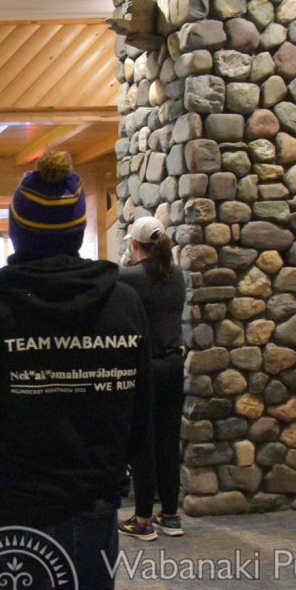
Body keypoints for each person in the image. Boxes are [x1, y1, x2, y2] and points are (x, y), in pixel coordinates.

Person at [0, 151, 152, 590]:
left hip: (11, 508)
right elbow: (141, 414)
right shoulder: (124, 304)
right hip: (93, 505)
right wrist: (109, 474)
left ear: (18, 234)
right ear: (77, 232)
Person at [117, 216, 187, 541]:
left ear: (134, 244)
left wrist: (125, 264)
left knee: (143, 442)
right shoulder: (178, 275)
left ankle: (143, 519)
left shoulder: (129, 276)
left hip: (146, 367)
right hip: (174, 364)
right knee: (168, 441)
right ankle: (170, 515)